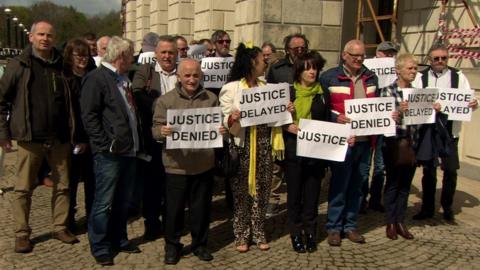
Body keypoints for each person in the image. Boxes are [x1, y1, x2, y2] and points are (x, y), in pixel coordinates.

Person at [0, 20, 80, 253]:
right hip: (29, 137)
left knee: (63, 186)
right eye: (41, 34)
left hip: (60, 138)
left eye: (49, 35)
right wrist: (3, 132)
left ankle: (60, 227)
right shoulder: (19, 65)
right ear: (31, 37)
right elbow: (1, 100)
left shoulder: (62, 65)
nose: (45, 38)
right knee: (23, 188)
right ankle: (22, 234)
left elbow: (73, 99)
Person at [219, 43, 293, 252]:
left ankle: (259, 231)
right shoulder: (232, 88)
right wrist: (231, 117)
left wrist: (287, 109)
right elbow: (224, 120)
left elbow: (278, 115)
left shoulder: (268, 89)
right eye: (262, 60)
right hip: (242, 146)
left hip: (263, 146)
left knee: (262, 191)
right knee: (241, 193)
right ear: (252, 63)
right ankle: (242, 234)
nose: (265, 63)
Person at [152, 59, 225, 265]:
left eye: (195, 75)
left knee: (201, 209)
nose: (191, 79)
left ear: (201, 76)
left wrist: (222, 130)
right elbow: (155, 130)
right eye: (187, 75)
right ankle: (172, 246)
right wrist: (161, 132)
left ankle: (200, 244)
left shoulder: (211, 98)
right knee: (173, 211)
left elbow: (220, 126)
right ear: (179, 76)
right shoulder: (165, 101)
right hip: (176, 166)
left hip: (204, 164)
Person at [81, 36, 142, 266]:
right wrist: (105, 143)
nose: (133, 58)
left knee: (122, 200)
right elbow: (89, 115)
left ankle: (119, 238)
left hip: (129, 150)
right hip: (109, 153)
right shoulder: (96, 79)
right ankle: (100, 245)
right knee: (103, 202)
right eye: (131, 54)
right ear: (121, 56)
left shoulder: (122, 78)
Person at [320, 39, 378, 246]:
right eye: (355, 55)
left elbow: (377, 108)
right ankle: (334, 227)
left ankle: (350, 226)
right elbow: (322, 110)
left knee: (358, 186)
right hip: (342, 142)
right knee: (339, 185)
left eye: (362, 55)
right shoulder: (329, 78)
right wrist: (336, 118)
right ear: (344, 55)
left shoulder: (372, 78)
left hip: (364, 142)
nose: (359, 59)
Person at [412, 43, 478, 221]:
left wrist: (474, 104)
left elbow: (469, 100)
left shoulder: (458, 76)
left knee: (450, 170)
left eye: (444, 58)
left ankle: (447, 207)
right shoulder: (420, 77)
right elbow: (414, 101)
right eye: (436, 58)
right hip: (429, 131)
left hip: (449, 132)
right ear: (429, 60)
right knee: (429, 170)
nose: (440, 61)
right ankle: (427, 208)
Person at [131, 34, 178, 241]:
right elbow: (137, 94)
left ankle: (172, 223)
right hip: (155, 139)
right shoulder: (146, 71)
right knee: (152, 184)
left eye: (171, 52)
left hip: (179, 138)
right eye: (164, 52)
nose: (167, 56)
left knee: (173, 184)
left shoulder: (184, 72)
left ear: (177, 54)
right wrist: (161, 109)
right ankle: (152, 224)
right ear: (156, 55)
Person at [284, 51, 329, 253]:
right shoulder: (288, 93)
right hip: (294, 151)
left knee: (312, 194)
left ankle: (311, 231)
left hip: (316, 151)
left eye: (315, 67)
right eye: (308, 67)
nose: (312, 71)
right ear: (299, 71)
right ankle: (295, 232)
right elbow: (274, 121)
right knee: (294, 195)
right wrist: (287, 124)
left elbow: (328, 122)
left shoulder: (323, 93)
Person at [379, 53, 420, 240]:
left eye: (415, 68)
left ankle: (401, 221)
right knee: (393, 183)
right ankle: (390, 221)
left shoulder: (418, 92)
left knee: (405, 185)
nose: (414, 71)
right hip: (394, 144)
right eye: (410, 68)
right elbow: (382, 120)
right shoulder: (388, 91)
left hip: (413, 143)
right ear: (399, 70)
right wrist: (397, 112)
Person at [361, 41, 400, 214]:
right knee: (364, 165)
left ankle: (375, 199)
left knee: (380, 165)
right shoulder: (366, 69)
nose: (389, 56)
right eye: (386, 53)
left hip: (385, 124)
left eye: (392, 53)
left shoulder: (397, 71)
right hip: (369, 122)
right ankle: (361, 199)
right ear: (377, 54)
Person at [62, 38, 96, 231]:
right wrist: (77, 139)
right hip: (72, 137)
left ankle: (92, 217)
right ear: (70, 56)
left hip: (92, 137)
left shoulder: (93, 76)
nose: (83, 59)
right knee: (71, 182)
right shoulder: (64, 78)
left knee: (92, 181)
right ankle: (69, 219)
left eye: (85, 55)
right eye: (78, 55)